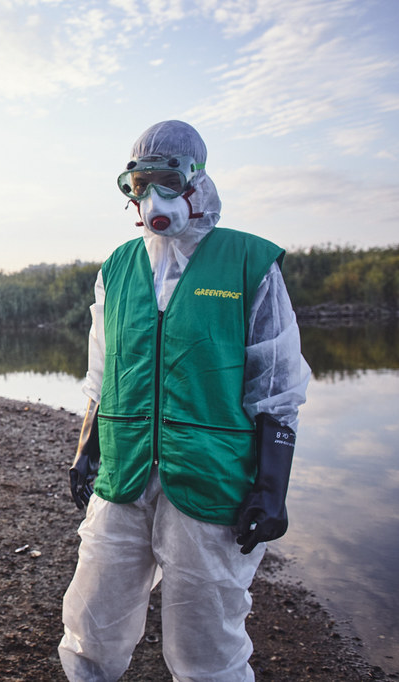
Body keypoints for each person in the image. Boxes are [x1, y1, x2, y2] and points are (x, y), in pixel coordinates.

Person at [58, 120, 311, 681]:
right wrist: (86, 449)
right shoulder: (118, 268)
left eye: (165, 180)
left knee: (207, 644)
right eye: (138, 184)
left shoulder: (249, 264)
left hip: (210, 483)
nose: (152, 197)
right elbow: (102, 372)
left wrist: (272, 489)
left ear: (195, 178)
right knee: (91, 625)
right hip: (122, 477)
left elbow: (277, 388)